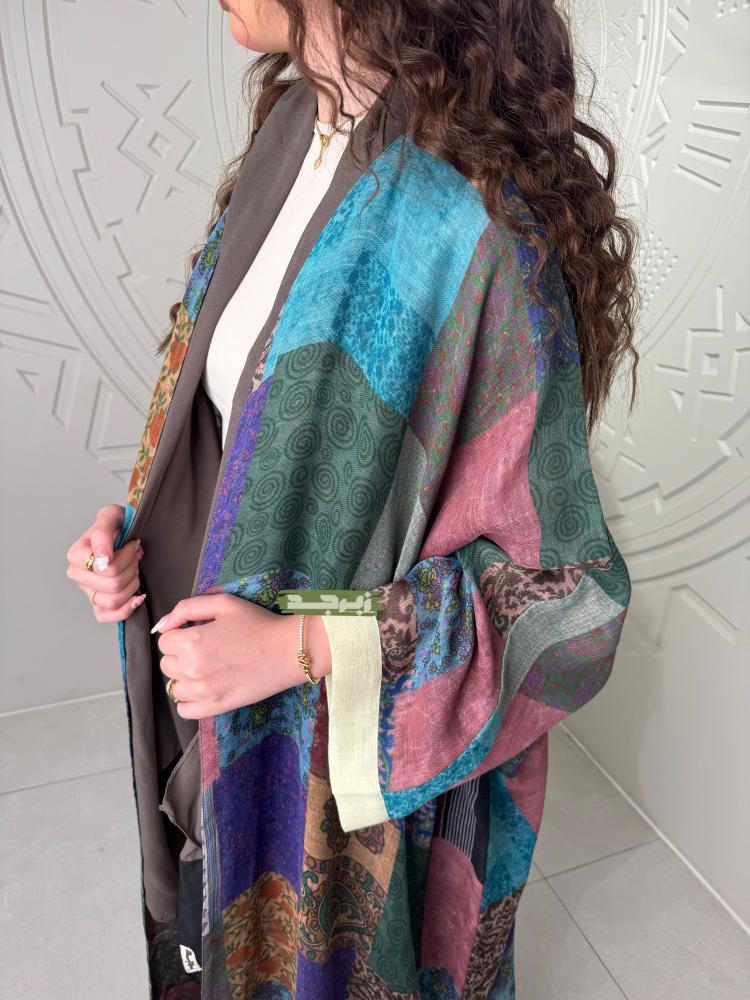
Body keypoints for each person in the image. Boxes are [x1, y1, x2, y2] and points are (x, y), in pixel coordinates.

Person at [65, 1, 640, 997]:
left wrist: (297, 650)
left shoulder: (471, 218)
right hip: (211, 704)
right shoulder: (297, 126)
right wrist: (136, 537)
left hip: (339, 781)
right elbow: (239, 422)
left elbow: (570, 598)